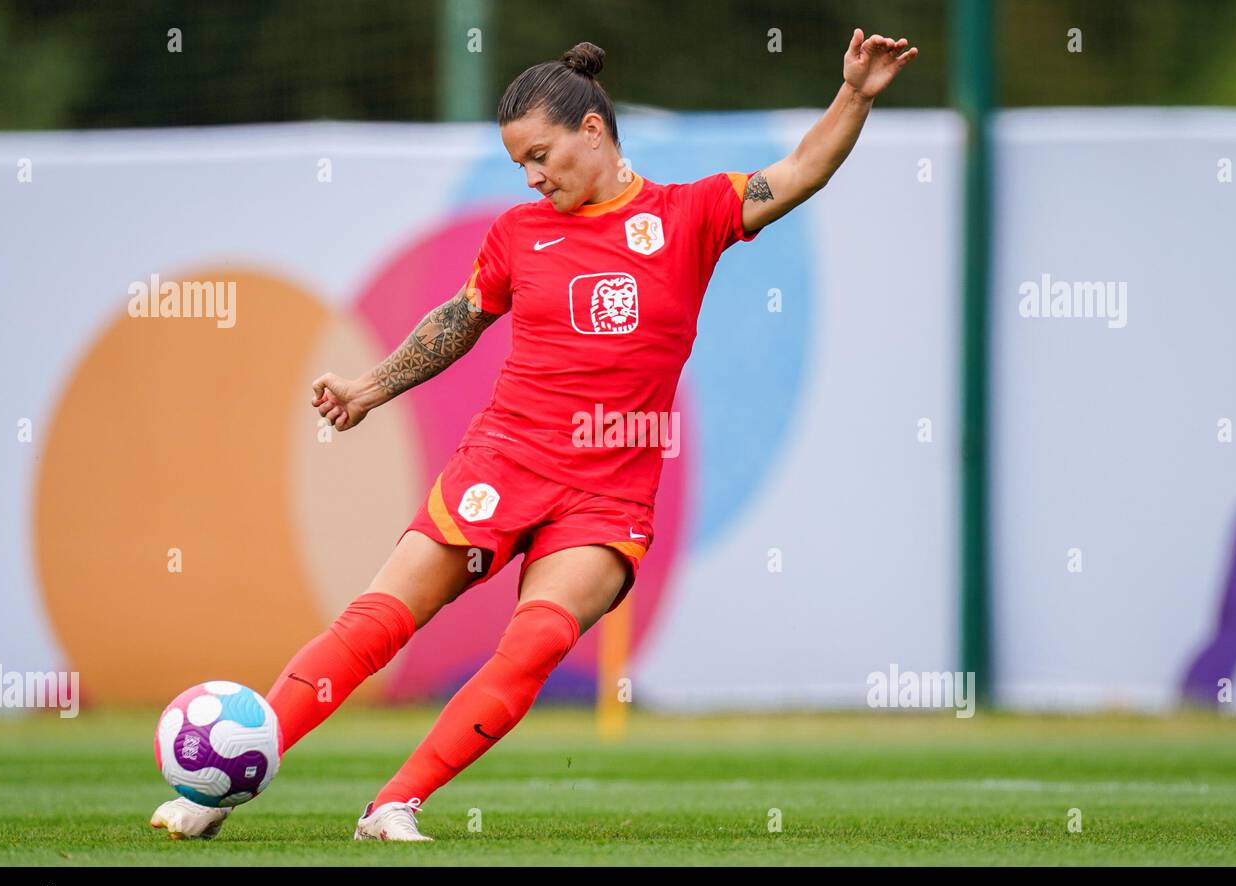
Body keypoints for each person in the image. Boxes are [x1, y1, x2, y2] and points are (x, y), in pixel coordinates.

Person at [151, 30, 917, 842]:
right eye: (520, 163)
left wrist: (856, 96)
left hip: (609, 490)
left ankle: (394, 806)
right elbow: (458, 321)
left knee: (537, 640)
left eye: (541, 154)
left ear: (593, 131)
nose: (532, 176)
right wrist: (368, 389)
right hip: (505, 459)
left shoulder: (690, 214)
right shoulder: (518, 232)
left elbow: (798, 172)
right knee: (378, 620)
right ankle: (220, 786)